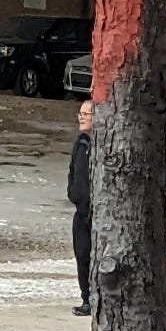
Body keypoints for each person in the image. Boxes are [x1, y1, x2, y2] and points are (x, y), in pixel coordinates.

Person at [67, 98, 94, 314]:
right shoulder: (80, 143)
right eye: (80, 113)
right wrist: (73, 192)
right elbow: (72, 171)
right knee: (82, 255)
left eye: (86, 114)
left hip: (97, 212)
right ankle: (86, 298)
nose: (81, 117)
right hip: (81, 210)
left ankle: (98, 298)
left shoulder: (102, 146)